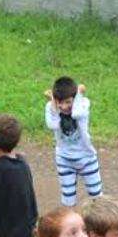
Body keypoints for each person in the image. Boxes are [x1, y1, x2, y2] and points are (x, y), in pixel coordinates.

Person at [45, 77, 103, 206]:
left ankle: (101, 225)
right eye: (60, 102)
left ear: (75, 98)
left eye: (68, 102)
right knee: (67, 199)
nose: (64, 107)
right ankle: (70, 225)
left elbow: (76, 114)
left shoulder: (84, 103)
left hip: (86, 157)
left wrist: (78, 95)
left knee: (97, 197)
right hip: (64, 159)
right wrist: (53, 104)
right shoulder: (51, 106)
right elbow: (53, 125)